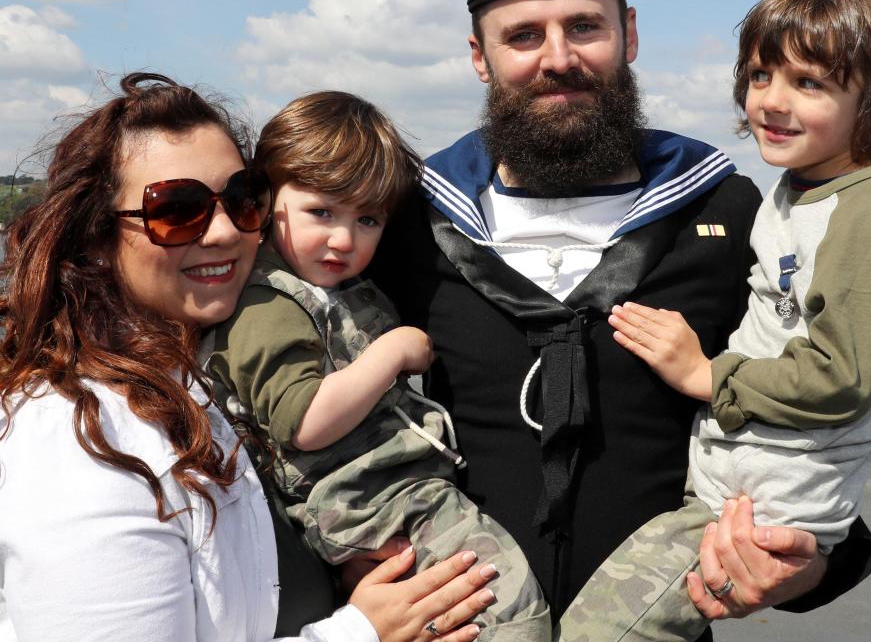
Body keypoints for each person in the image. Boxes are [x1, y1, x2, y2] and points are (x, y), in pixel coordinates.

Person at [367, 0, 871, 636]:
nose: (558, 58)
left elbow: (817, 424)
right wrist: (363, 582)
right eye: (522, 36)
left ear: (628, 34)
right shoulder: (412, 227)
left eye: (585, 26)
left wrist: (812, 564)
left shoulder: (730, 216)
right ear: (479, 56)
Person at [0, 73, 498, 642]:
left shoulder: (205, 379)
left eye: (240, 200)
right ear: (95, 236)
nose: (222, 231)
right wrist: (361, 632)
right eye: (177, 209)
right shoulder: (80, 437)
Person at [558, 0, 871, 641]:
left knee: (601, 630)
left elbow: (843, 375)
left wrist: (705, 374)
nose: (773, 100)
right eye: (762, 75)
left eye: (809, 83)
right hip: (733, 488)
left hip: (763, 512)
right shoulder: (796, 193)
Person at [205, 91, 550, 640]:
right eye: (322, 212)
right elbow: (306, 423)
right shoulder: (266, 304)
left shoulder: (332, 287)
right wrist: (391, 354)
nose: (343, 239)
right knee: (511, 609)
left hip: (385, 495)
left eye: (367, 219)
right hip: (369, 498)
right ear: (267, 200)